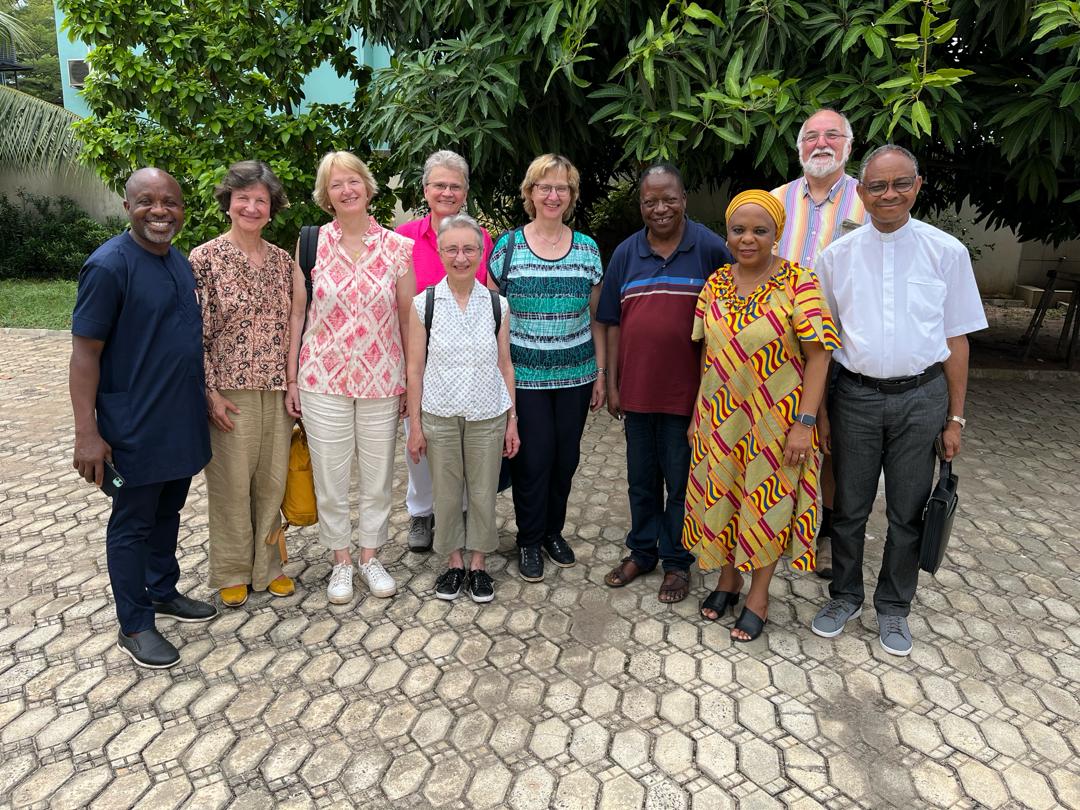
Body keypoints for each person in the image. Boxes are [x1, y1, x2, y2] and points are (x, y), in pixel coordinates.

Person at [810, 145, 987, 656]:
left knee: (909, 510)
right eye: (877, 186)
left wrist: (955, 418)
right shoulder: (835, 257)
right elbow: (823, 343)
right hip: (856, 398)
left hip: (921, 398)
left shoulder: (945, 252)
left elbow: (957, 340)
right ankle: (843, 596)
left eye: (900, 184)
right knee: (848, 508)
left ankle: (894, 607)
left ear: (918, 185)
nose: (889, 194)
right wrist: (819, 412)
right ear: (861, 192)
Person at [69, 168, 217, 669]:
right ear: (127, 205)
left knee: (168, 512)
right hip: (133, 424)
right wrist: (87, 433)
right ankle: (134, 623)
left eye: (170, 202)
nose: (160, 211)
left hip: (179, 419)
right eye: (148, 201)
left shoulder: (178, 261)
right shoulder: (109, 267)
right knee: (132, 523)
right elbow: (85, 353)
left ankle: (161, 590)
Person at [683, 190, 839, 642]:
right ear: (727, 233)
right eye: (738, 230)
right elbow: (707, 353)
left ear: (777, 234)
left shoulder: (800, 283)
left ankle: (759, 595)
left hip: (776, 423)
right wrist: (698, 412)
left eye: (759, 230)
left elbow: (819, 357)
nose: (747, 239)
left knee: (766, 507)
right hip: (720, 420)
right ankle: (728, 580)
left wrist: (805, 423)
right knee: (726, 498)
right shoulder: (715, 283)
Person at [597, 163, 733, 604]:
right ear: (640, 205)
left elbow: (730, 318)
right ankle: (642, 552)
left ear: (684, 199)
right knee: (640, 478)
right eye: (650, 201)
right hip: (636, 392)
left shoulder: (711, 249)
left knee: (681, 482)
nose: (660, 208)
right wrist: (614, 383)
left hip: (688, 396)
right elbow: (613, 323)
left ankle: (676, 563)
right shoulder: (625, 253)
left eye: (669, 199)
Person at [285, 151, 416, 605]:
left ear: (367, 185)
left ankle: (370, 555)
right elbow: (298, 314)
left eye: (353, 181)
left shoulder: (398, 248)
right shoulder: (310, 244)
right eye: (336, 184)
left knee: (378, 475)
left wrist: (410, 386)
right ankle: (340, 560)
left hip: (383, 378)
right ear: (327, 194)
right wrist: (292, 379)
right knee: (331, 475)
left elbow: (406, 320)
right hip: (322, 377)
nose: (346, 190)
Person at [488, 153, 606, 583]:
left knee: (566, 459)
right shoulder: (508, 247)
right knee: (532, 461)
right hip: (525, 376)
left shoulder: (588, 249)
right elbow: (492, 318)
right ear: (530, 194)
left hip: (576, 374)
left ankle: (553, 532)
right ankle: (528, 538)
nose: (553, 195)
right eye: (544, 187)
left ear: (571, 196)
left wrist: (601, 374)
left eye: (562, 188)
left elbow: (595, 318)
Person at [189, 160, 300, 608]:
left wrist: (293, 382)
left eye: (261, 200)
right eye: (243, 199)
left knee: (271, 483)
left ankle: (268, 566)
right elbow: (193, 330)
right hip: (228, 390)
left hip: (274, 387)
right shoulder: (205, 259)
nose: (252, 207)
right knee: (232, 484)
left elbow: (295, 323)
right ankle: (232, 569)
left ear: (271, 209)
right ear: (228, 204)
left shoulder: (282, 261)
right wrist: (208, 391)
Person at [771, 107, 867, 580]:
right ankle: (778, 522)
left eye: (832, 135)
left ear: (849, 147)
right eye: (811, 137)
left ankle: (827, 534)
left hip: (845, 347)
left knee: (832, 442)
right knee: (777, 436)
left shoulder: (868, 203)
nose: (821, 143)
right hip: (779, 349)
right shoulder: (775, 200)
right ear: (799, 148)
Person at [405, 214, 519, 602]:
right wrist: (416, 425)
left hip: (488, 412)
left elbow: (506, 365)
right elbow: (414, 367)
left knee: (484, 491)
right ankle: (454, 563)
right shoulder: (425, 304)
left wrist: (512, 421)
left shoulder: (497, 304)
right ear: (439, 252)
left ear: (481, 252)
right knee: (448, 493)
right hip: (439, 412)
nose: (460, 257)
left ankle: (479, 565)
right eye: (452, 249)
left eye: (469, 249)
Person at [396, 150, 495, 553]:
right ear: (425, 189)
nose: (447, 192)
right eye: (439, 184)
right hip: (419, 359)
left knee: (468, 442)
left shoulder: (481, 238)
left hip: (469, 363)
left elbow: (488, 297)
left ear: (466, 193)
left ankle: (466, 514)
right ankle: (422, 513)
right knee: (417, 441)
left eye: (455, 186)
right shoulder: (403, 240)